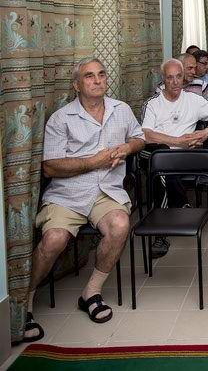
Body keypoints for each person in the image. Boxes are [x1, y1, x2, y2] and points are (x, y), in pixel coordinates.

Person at [24, 58, 145, 342]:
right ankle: (23, 304)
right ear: (76, 85)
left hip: (107, 191)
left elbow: (139, 138)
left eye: (101, 74)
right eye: (89, 76)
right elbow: (50, 167)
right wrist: (93, 161)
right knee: (53, 239)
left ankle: (91, 292)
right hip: (68, 193)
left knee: (120, 225)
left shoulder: (121, 109)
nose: (97, 80)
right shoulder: (61, 118)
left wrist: (127, 147)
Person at [141, 59, 208, 257]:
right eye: (170, 77)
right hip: (157, 153)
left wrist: (206, 132)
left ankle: (173, 215)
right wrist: (177, 141)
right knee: (162, 160)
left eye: (178, 76)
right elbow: (146, 135)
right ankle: (178, 209)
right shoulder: (153, 103)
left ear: (184, 78)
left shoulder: (193, 99)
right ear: (163, 79)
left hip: (185, 156)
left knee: (167, 165)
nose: (174, 82)